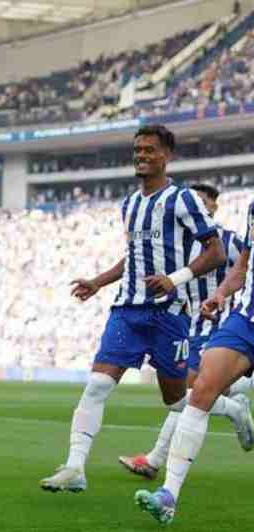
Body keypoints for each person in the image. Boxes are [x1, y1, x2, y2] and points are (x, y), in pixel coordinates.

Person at [39, 124, 250, 493]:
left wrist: (175, 278)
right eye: (138, 150)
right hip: (127, 311)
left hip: (169, 313)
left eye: (150, 150)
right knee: (97, 386)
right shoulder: (130, 204)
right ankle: (75, 467)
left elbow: (215, 253)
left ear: (166, 156)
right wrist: (98, 282)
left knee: (176, 402)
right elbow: (133, 257)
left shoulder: (183, 199)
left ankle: (232, 409)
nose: (142, 156)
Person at [119, 183, 253, 479]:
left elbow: (242, 270)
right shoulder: (176, 247)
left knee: (191, 388)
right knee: (181, 395)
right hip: (184, 325)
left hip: (218, 326)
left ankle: (155, 460)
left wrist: (221, 297)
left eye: (204, 203)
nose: (198, 208)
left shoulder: (228, 242)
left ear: (214, 208)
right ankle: (234, 407)